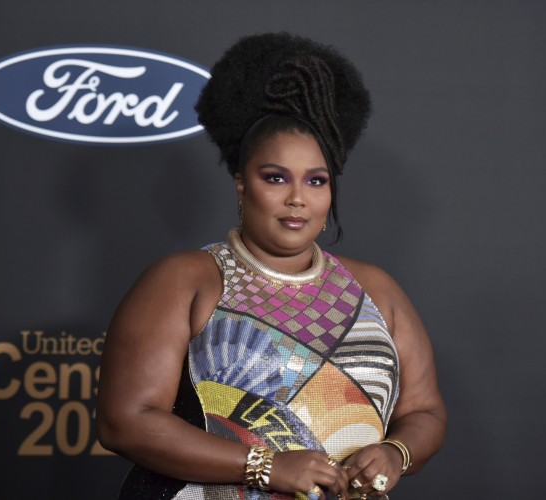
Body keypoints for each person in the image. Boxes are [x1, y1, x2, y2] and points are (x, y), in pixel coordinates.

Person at [96, 32, 446, 500]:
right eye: (276, 177)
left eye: (316, 181)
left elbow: (424, 412)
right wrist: (265, 465)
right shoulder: (185, 280)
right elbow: (124, 421)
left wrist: (395, 453)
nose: (297, 198)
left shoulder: (377, 290)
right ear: (242, 184)